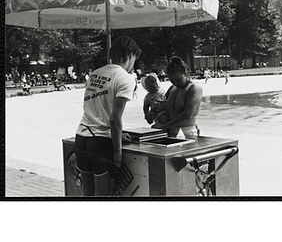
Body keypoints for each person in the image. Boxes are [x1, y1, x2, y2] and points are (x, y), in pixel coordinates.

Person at [74, 36, 141, 196]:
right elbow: (114, 118)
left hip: (82, 137)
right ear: (131, 55)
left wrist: (117, 135)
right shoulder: (125, 78)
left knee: (87, 193)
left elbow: (96, 109)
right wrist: (117, 150)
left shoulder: (95, 74)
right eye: (135, 59)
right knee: (103, 195)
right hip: (100, 142)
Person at [154, 56, 202, 140]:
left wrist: (164, 126)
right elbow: (163, 105)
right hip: (171, 131)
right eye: (172, 80)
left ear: (185, 73)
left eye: (178, 80)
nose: (175, 83)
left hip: (188, 131)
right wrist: (152, 112)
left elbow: (187, 115)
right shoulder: (172, 88)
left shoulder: (194, 88)